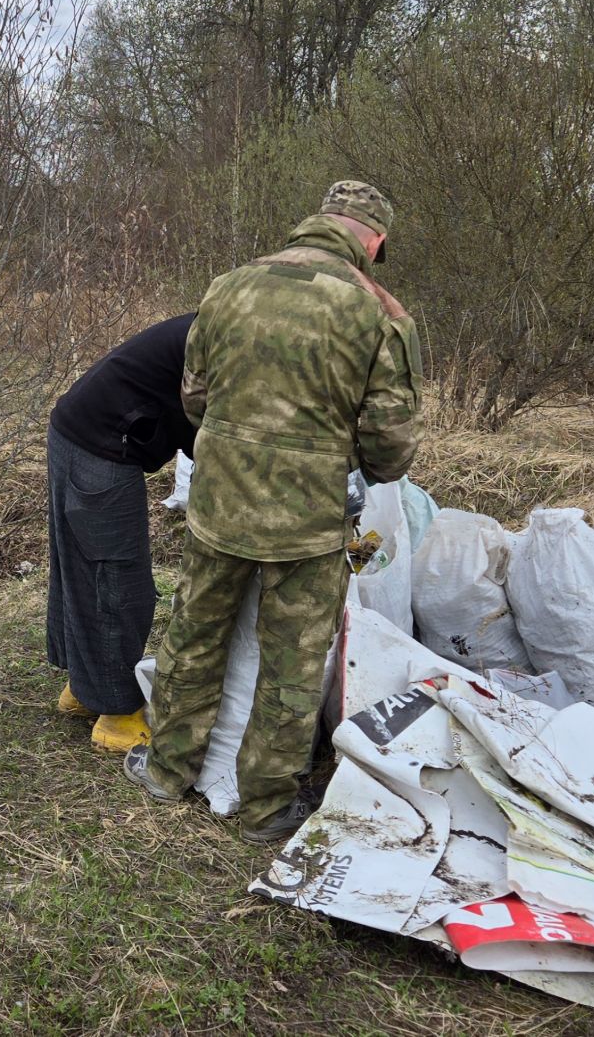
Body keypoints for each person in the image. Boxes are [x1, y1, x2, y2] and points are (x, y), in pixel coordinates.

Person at [123, 181, 423, 844]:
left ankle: (168, 769)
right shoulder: (378, 312)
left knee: (196, 632)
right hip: (308, 520)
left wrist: (236, 445)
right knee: (291, 661)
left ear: (318, 219)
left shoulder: (230, 285)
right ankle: (265, 807)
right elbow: (392, 442)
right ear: (373, 239)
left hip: (220, 503)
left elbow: (195, 396)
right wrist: (354, 466)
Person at [46, 313, 198, 753]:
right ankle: (115, 715)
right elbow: (209, 427)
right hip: (99, 448)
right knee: (116, 580)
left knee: (80, 567)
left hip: (80, 433)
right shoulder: (221, 339)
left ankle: (83, 688)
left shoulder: (211, 325)